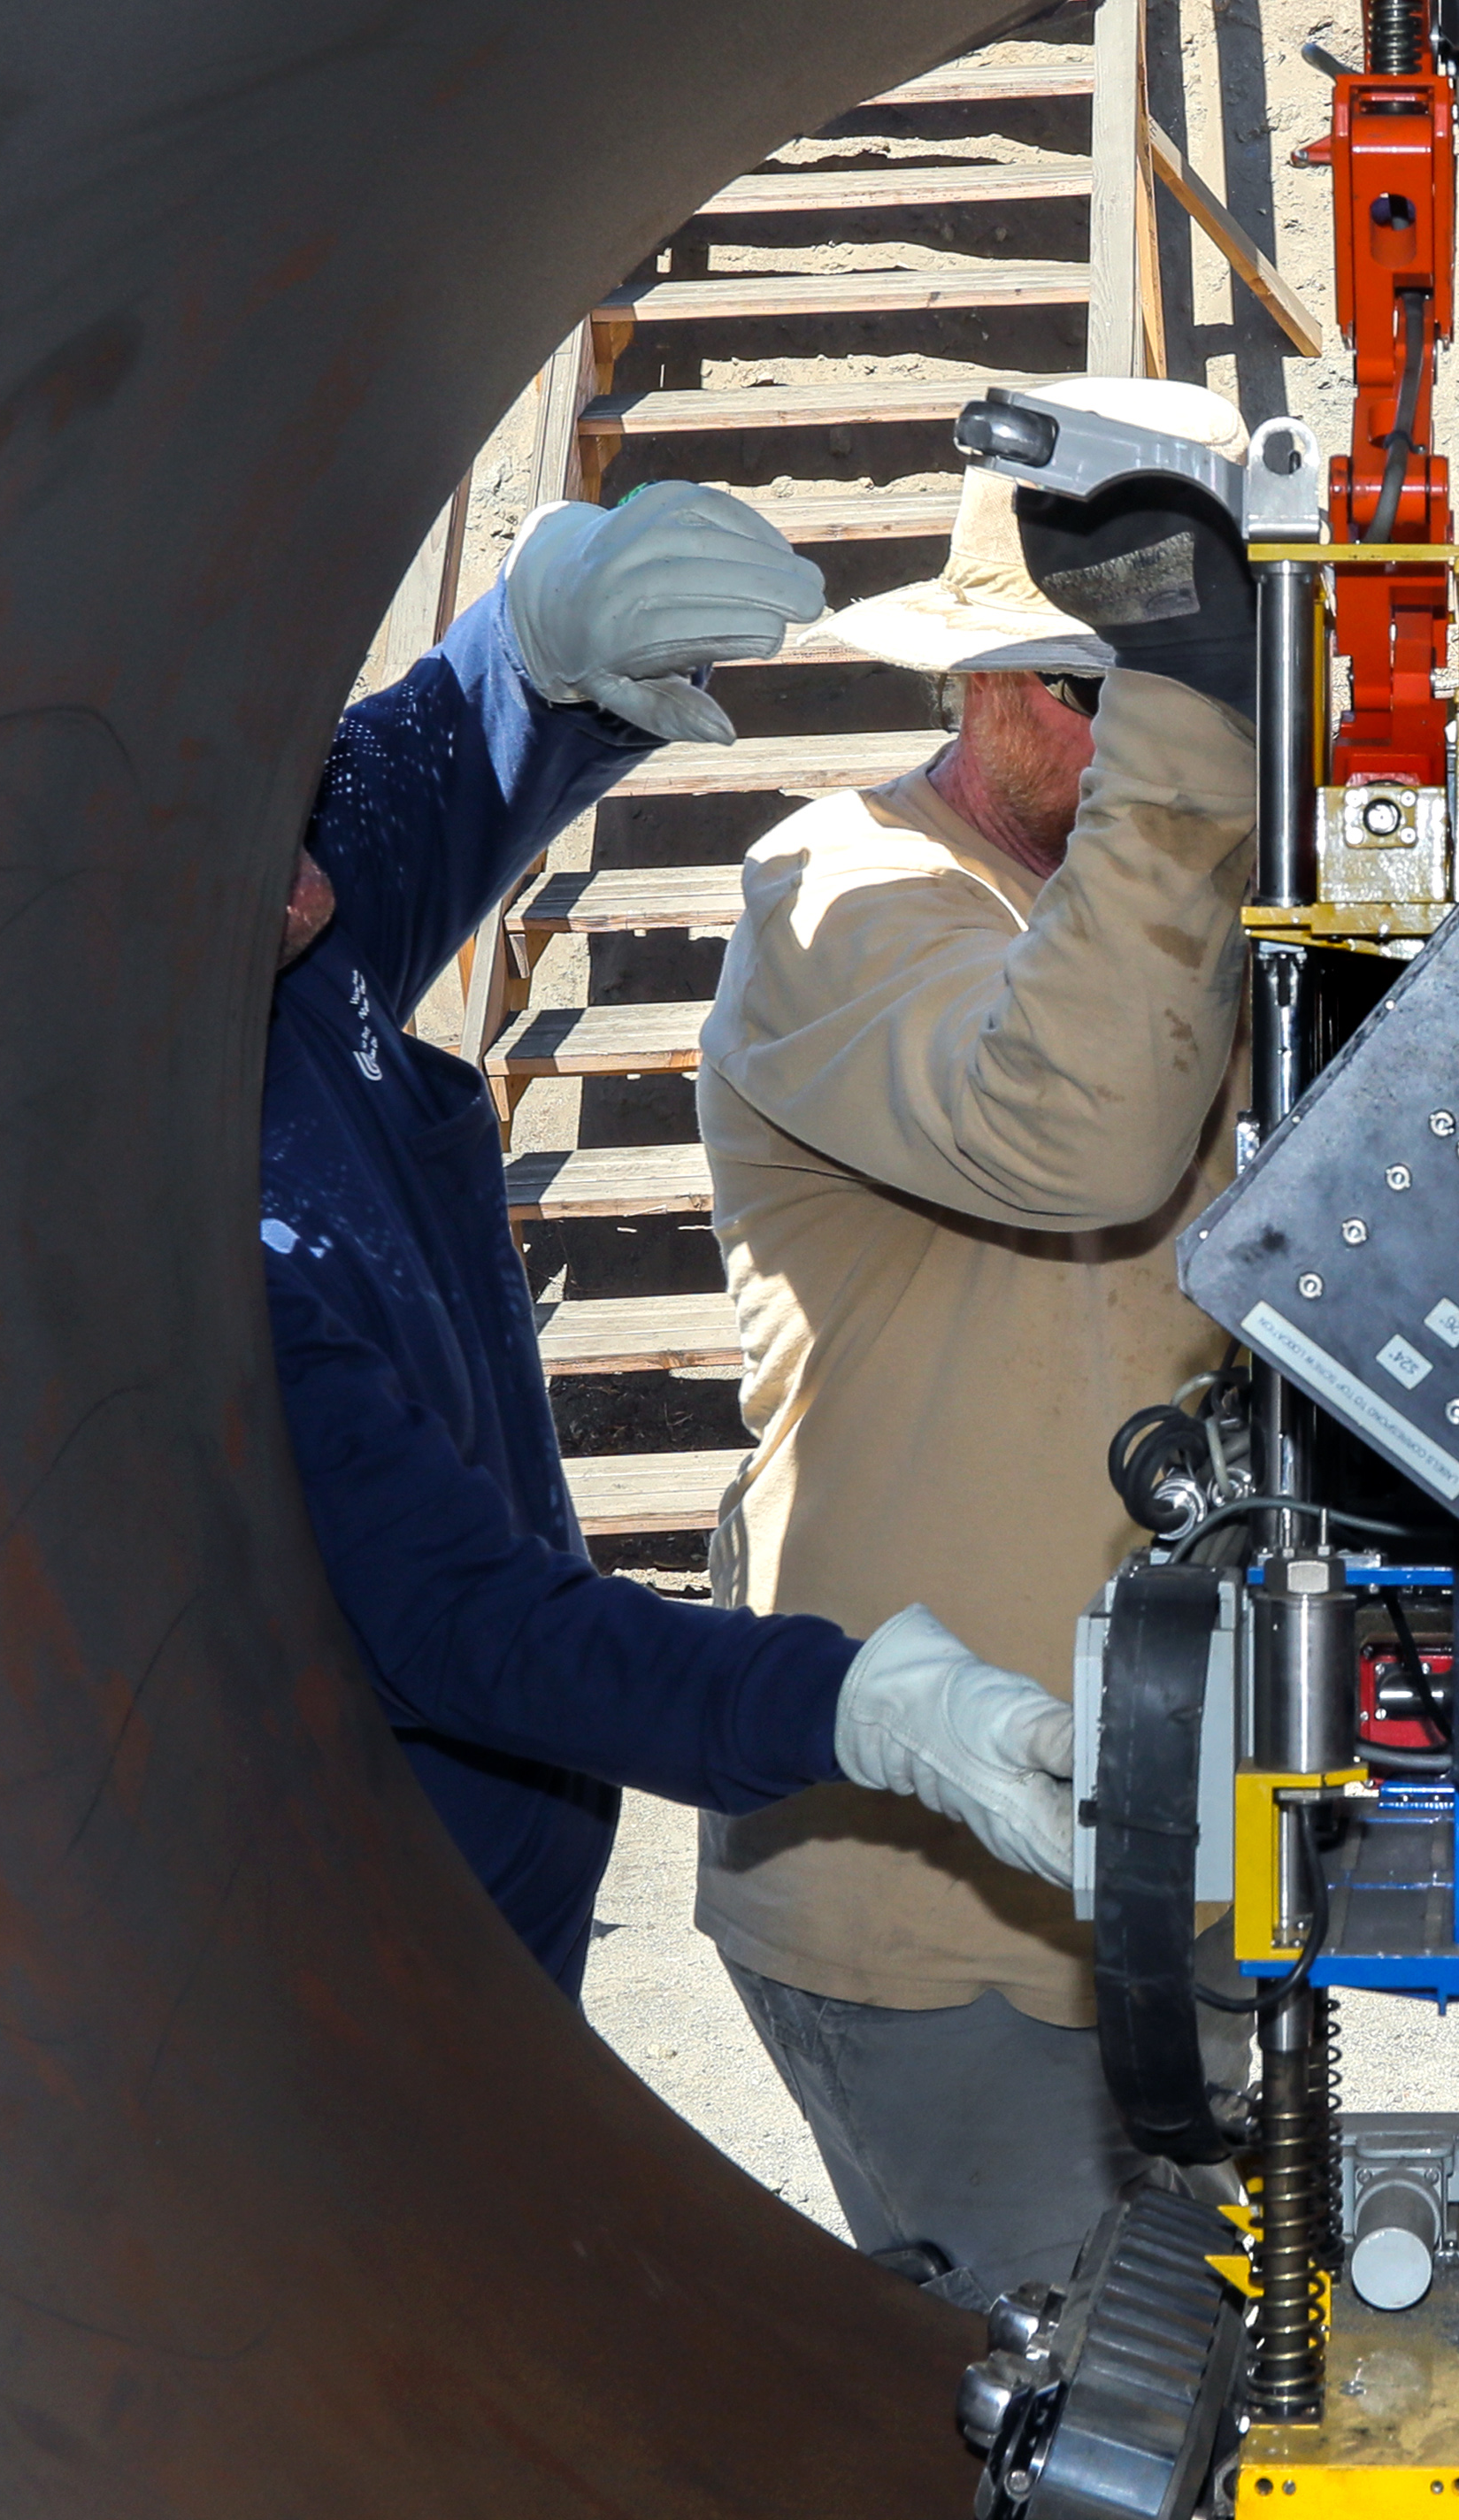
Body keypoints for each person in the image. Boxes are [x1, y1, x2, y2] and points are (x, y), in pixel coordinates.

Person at [265, 480, 1080, 2001]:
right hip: (354, 1996)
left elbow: (384, 800)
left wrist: (527, 654)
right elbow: (473, 1627)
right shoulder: (203, 1248)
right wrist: (849, 1708)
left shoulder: (265, 920)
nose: (313, 849)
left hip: (488, 1943)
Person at [693, 393, 1263, 2296]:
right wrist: (1188, 748)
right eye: (1114, 690)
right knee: (1047, 2437)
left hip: (1175, 1872)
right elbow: (1072, 1131)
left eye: (1191, 691)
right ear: (996, 687)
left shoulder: (1185, 903)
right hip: (934, 1908)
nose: (1153, 742)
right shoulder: (839, 891)